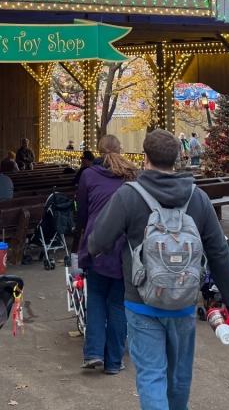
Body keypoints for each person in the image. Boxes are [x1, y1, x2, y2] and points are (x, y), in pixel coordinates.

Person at [89, 130, 229, 409]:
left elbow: (99, 241)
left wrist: (99, 250)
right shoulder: (198, 198)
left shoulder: (128, 196)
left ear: (144, 158)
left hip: (141, 300)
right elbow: (219, 251)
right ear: (178, 158)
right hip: (183, 302)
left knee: (150, 374)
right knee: (180, 375)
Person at [77, 134, 136, 375]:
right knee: (118, 304)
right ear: (120, 149)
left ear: (98, 150)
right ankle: (113, 361)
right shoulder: (132, 176)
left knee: (97, 299)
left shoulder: (88, 175)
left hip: (97, 243)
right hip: (123, 246)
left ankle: (93, 353)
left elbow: (81, 211)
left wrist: (87, 229)